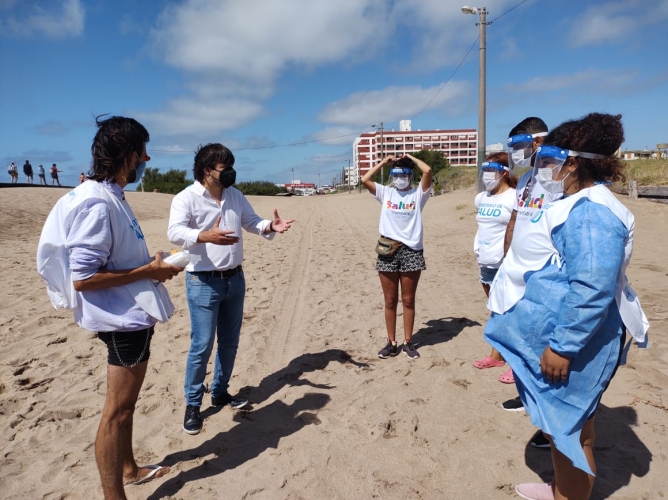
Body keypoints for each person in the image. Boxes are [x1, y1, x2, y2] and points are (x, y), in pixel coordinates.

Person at [484, 113, 648, 500]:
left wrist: (563, 346)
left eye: (550, 159)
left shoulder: (592, 212)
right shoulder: (580, 203)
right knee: (571, 430)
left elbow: (591, 288)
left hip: (574, 344)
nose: (543, 167)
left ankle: (569, 492)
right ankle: (561, 488)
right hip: (567, 337)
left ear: (573, 162)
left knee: (569, 437)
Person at [37, 116, 183, 499]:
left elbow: (111, 257)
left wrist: (150, 266)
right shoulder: (97, 203)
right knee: (116, 411)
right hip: (122, 320)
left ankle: (130, 469)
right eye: (143, 152)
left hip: (130, 312)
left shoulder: (107, 194)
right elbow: (83, 278)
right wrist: (148, 270)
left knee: (127, 407)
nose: (147, 159)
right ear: (128, 155)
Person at [167, 143, 295, 435]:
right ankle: (193, 404)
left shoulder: (235, 196)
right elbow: (174, 231)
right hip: (202, 281)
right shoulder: (185, 198)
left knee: (229, 342)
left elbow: (251, 222)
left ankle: (221, 391)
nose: (231, 173)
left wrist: (269, 226)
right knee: (201, 346)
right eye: (225, 168)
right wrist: (204, 235)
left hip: (235, 279)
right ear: (206, 170)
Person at [361, 154, 433, 360]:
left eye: (404, 174)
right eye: (396, 174)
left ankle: (408, 342)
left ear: (410, 176)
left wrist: (409, 157)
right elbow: (365, 180)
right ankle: (391, 342)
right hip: (388, 249)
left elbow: (427, 171)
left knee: (408, 300)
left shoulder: (419, 194)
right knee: (390, 300)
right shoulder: (386, 193)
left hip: (411, 250)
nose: (400, 178)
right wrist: (384, 163)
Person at [496, 117, 549, 388]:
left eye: (518, 145)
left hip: (545, 273)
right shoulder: (527, 178)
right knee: (522, 331)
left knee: (541, 335)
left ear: (538, 141)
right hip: (518, 270)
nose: (515, 152)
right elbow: (515, 219)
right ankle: (525, 387)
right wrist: (507, 260)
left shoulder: (558, 180)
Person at [471, 152, 516, 369]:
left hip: (506, 262)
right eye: (485, 170)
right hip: (486, 261)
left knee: (508, 308)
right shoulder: (482, 198)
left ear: (504, 172)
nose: (487, 174)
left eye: (492, 170)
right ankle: (500, 352)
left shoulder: (515, 196)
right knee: (495, 308)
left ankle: (498, 355)